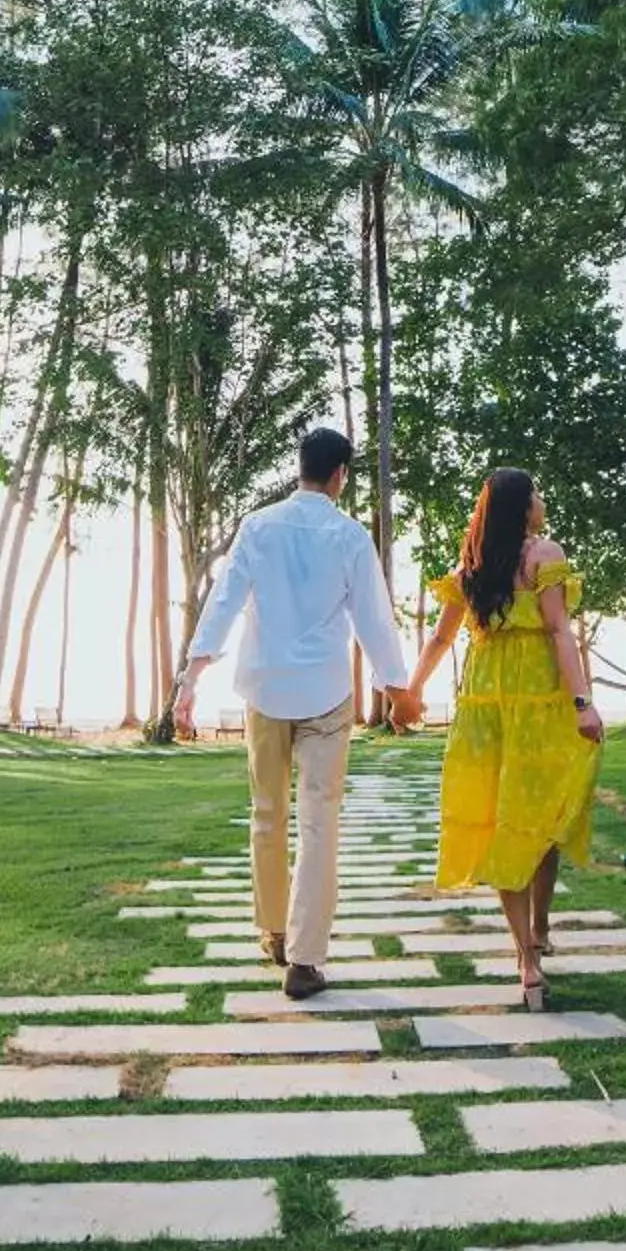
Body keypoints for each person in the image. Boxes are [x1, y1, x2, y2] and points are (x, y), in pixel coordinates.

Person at [173, 428, 422, 999]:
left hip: (264, 691)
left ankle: (275, 930)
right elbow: (373, 621)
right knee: (319, 822)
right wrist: (397, 689)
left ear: (300, 469)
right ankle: (305, 961)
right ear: (341, 475)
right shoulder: (351, 536)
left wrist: (191, 679)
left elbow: (225, 602)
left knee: (267, 813)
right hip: (326, 697)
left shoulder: (259, 527)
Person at [404, 466, 604, 1007]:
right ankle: (533, 945)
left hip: (486, 708)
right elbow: (560, 632)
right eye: (536, 493)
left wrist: (411, 691)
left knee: (510, 821)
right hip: (537, 705)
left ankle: (530, 948)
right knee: (538, 817)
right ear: (522, 507)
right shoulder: (544, 556)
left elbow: (440, 640)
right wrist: (583, 703)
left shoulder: (470, 568)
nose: (541, 500)